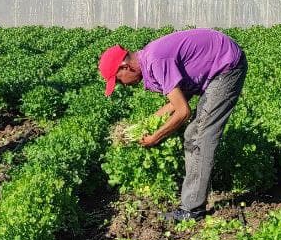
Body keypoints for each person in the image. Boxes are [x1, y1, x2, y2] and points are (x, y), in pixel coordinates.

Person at [98, 28, 247, 222]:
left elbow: (183, 111)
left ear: (125, 67)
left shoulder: (156, 61)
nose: (122, 85)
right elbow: (174, 102)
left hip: (226, 66)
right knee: (194, 133)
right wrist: (146, 124)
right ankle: (194, 200)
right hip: (215, 64)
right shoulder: (150, 58)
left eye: (118, 81)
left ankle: (192, 210)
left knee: (198, 136)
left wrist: (155, 137)